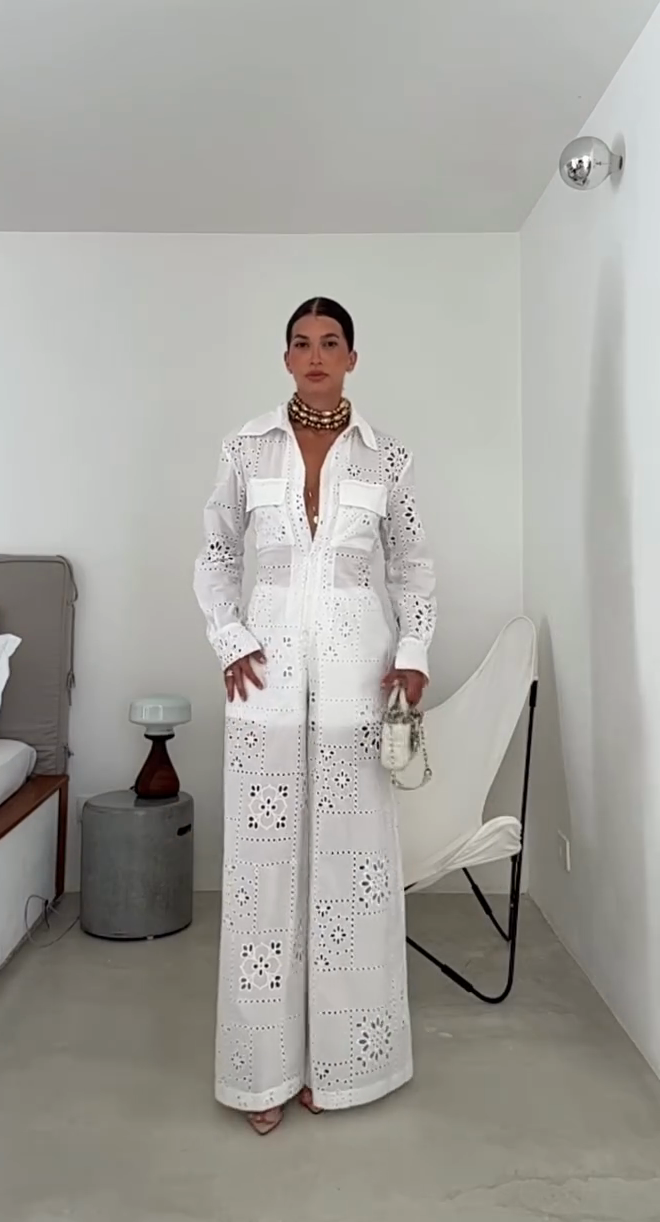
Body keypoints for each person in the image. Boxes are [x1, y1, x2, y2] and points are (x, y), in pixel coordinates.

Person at [194, 297, 436, 1134]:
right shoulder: (246, 447)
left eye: (331, 342)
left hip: (356, 679)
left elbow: (413, 567)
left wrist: (414, 651)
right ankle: (260, 1074)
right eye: (302, 343)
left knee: (350, 867)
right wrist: (230, 638)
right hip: (264, 679)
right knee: (262, 870)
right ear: (287, 357)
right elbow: (216, 553)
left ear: (352, 358)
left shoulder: (386, 457)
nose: (316, 355)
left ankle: (345, 1068)